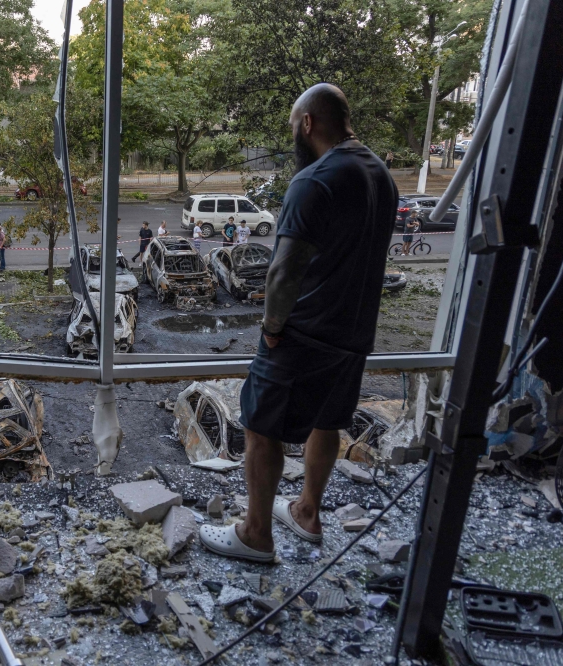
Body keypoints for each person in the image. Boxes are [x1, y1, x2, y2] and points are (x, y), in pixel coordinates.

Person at [198, 83, 396, 563]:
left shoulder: (316, 180)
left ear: (307, 123)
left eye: (294, 127)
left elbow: (284, 269)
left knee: (261, 426)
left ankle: (255, 533)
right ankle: (307, 512)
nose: (294, 135)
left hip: (304, 332)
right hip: (354, 333)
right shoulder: (381, 175)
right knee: (326, 422)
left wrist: (271, 326)